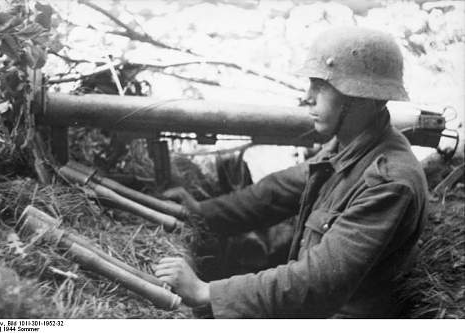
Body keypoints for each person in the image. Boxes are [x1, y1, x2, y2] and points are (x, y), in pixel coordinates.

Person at [154, 26, 428, 318]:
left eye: (320, 86)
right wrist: (201, 212)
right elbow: (275, 193)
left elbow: (317, 282)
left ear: (359, 98)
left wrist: (206, 292)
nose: (307, 97)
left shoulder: (389, 184)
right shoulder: (351, 144)